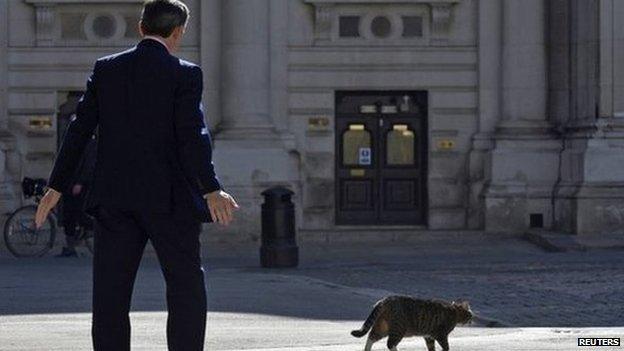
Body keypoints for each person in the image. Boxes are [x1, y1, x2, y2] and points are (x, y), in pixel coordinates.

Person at [34, 1, 239, 350]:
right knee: (185, 286)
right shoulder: (185, 74)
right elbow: (193, 136)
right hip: (171, 202)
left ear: (140, 27)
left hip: (115, 200)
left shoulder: (106, 69)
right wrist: (211, 189)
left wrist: (56, 187)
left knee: (110, 295)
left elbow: (79, 131)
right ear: (178, 33)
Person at [56, 135, 96, 258]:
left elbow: (88, 164)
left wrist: (80, 182)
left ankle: (95, 229)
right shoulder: (72, 141)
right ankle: (70, 247)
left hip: (80, 185)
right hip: (69, 183)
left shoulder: (89, 142)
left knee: (78, 213)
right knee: (69, 215)